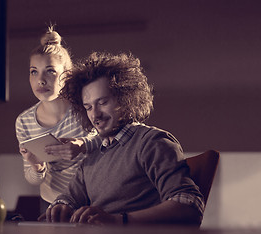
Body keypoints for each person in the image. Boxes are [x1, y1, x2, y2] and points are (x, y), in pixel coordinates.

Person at [46, 52, 205, 225]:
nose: (95, 114)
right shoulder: (92, 157)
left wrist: (118, 220)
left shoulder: (152, 142)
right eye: (88, 107)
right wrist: (60, 206)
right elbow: (69, 198)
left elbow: (190, 205)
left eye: (103, 102)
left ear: (125, 99)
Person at [15, 27, 100, 214]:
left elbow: (111, 144)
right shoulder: (24, 121)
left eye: (50, 71)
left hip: (92, 200)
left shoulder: (85, 108)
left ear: (67, 75)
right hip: (52, 202)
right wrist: (35, 164)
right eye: (34, 72)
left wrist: (82, 145)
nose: (41, 80)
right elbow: (33, 179)